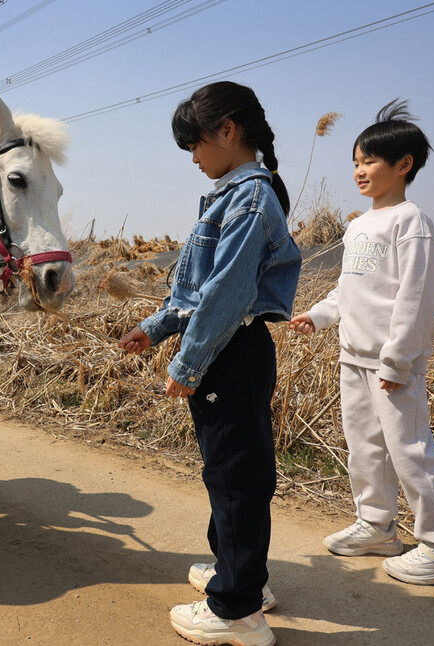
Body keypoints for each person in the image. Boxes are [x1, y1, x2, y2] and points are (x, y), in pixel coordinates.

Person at [118, 81, 300, 646]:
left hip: (230, 348)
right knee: (231, 471)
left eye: (195, 145)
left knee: (235, 477)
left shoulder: (248, 199)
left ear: (227, 131)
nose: (194, 158)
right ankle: (240, 576)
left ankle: (238, 612)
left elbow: (225, 294)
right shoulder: (232, 194)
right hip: (228, 345)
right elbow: (194, 290)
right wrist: (154, 328)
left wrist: (189, 362)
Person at [290, 100, 434, 585]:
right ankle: (377, 526)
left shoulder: (411, 222)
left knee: (411, 451)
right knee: (365, 449)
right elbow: (349, 288)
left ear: (404, 165)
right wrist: (320, 314)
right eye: (355, 162)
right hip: (353, 358)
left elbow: (418, 296)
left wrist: (397, 361)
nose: (359, 171)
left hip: (392, 366)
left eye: (369, 161)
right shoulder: (358, 225)